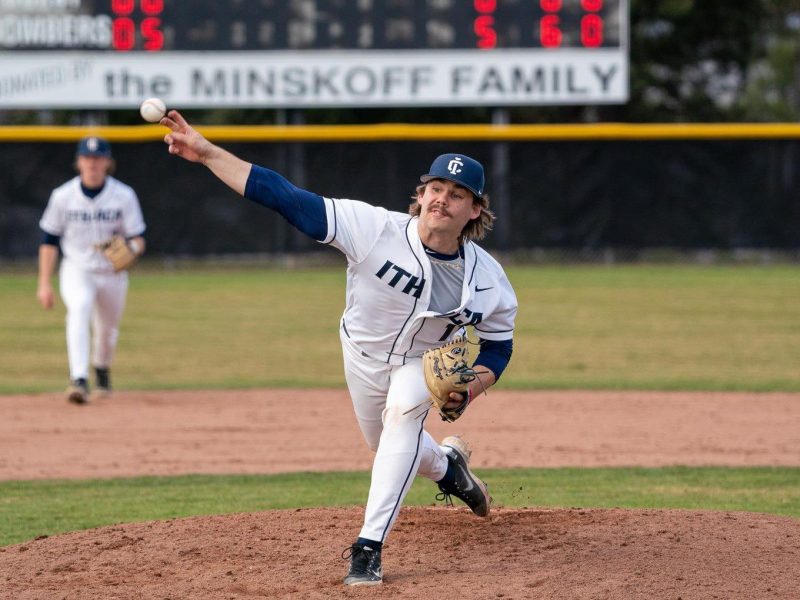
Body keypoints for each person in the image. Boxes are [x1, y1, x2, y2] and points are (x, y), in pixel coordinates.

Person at [160, 110, 517, 586]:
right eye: (436, 189)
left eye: (457, 195)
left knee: (404, 416)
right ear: (421, 194)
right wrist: (207, 153)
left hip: (420, 365)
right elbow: (282, 195)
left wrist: (472, 388)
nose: (442, 200)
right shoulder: (373, 229)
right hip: (361, 356)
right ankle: (451, 470)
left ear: (475, 210)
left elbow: (498, 347)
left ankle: (368, 549)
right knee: (388, 444)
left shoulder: (489, 280)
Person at [37, 136, 147, 404]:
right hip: (77, 268)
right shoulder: (63, 196)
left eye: (98, 158)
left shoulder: (124, 195)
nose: (92, 163)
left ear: (107, 162)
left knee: (107, 330)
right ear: (79, 162)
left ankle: (101, 368)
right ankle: (79, 379)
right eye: (87, 157)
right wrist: (44, 283)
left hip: (112, 272)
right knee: (80, 308)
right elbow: (49, 242)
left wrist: (129, 250)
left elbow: (138, 238)